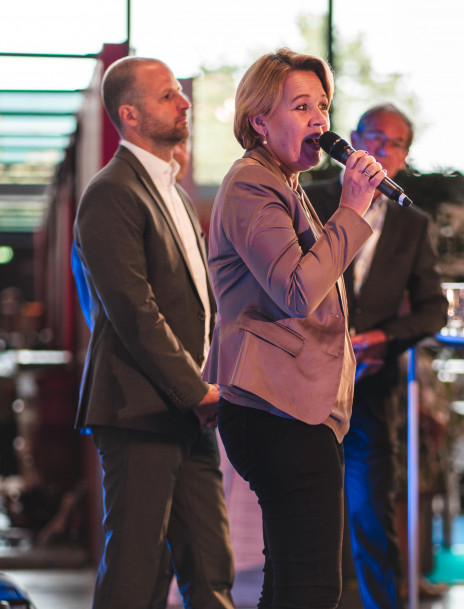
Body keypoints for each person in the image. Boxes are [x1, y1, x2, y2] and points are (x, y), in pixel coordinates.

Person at [202, 48, 384, 609]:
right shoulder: (252, 185)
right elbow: (297, 290)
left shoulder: (284, 181)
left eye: (323, 106)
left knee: (288, 585)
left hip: (289, 408)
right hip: (276, 411)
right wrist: (352, 210)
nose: (319, 121)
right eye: (301, 107)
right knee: (312, 589)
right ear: (259, 121)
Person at [72, 56, 234, 609]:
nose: (184, 102)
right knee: (136, 573)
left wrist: (204, 387)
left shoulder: (174, 191)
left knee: (211, 568)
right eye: (168, 95)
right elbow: (132, 311)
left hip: (189, 407)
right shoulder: (111, 191)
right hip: (139, 409)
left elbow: (196, 303)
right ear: (130, 114)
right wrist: (196, 390)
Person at [305, 103, 448, 609]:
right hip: (308, 382)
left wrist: (384, 338)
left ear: (405, 156)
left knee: (371, 513)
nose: (380, 150)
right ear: (352, 142)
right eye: (372, 137)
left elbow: (433, 309)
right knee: (307, 514)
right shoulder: (310, 198)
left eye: (393, 143)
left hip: (371, 386)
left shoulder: (413, 222)